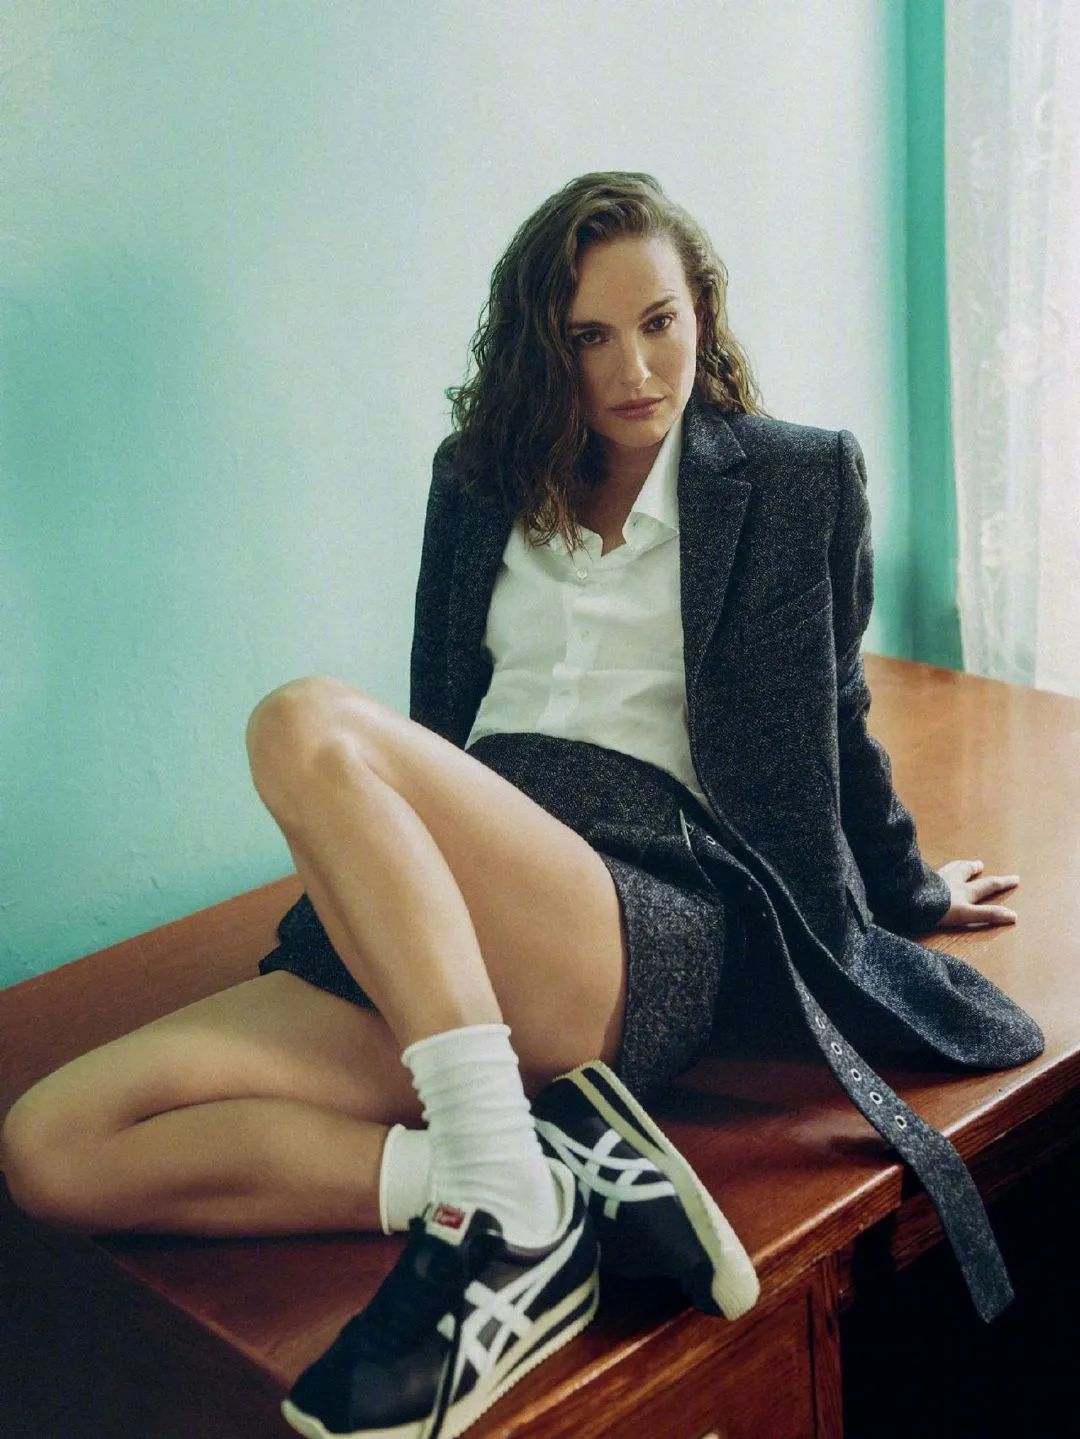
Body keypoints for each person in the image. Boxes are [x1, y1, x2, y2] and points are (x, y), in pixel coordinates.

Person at [1, 172, 1035, 1439]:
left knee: (301, 721)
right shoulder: (478, 480)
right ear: (544, 350)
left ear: (703, 312)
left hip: (634, 911)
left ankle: (498, 1176)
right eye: (590, 336)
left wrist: (910, 889)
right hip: (453, 924)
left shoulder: (793, 478)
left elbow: (835, 713)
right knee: (54, 1146)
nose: (634, 368)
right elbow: (440, 725)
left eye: (658, 321)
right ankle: (516, 1175)